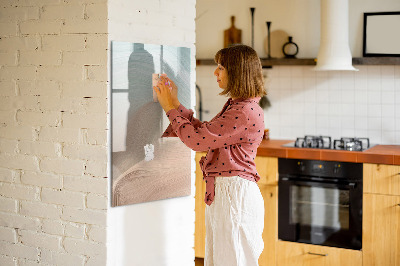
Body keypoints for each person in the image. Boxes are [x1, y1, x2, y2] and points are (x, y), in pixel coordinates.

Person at [153, 44, 266, 266]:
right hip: (228, 193)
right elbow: (205, 133)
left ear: (237, 72)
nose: (215, 72)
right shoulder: (239, 106)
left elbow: (196, 141)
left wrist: (169, 108)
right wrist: (175, 104)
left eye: (221, 67)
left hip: (234, 195)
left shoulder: (243, 111)